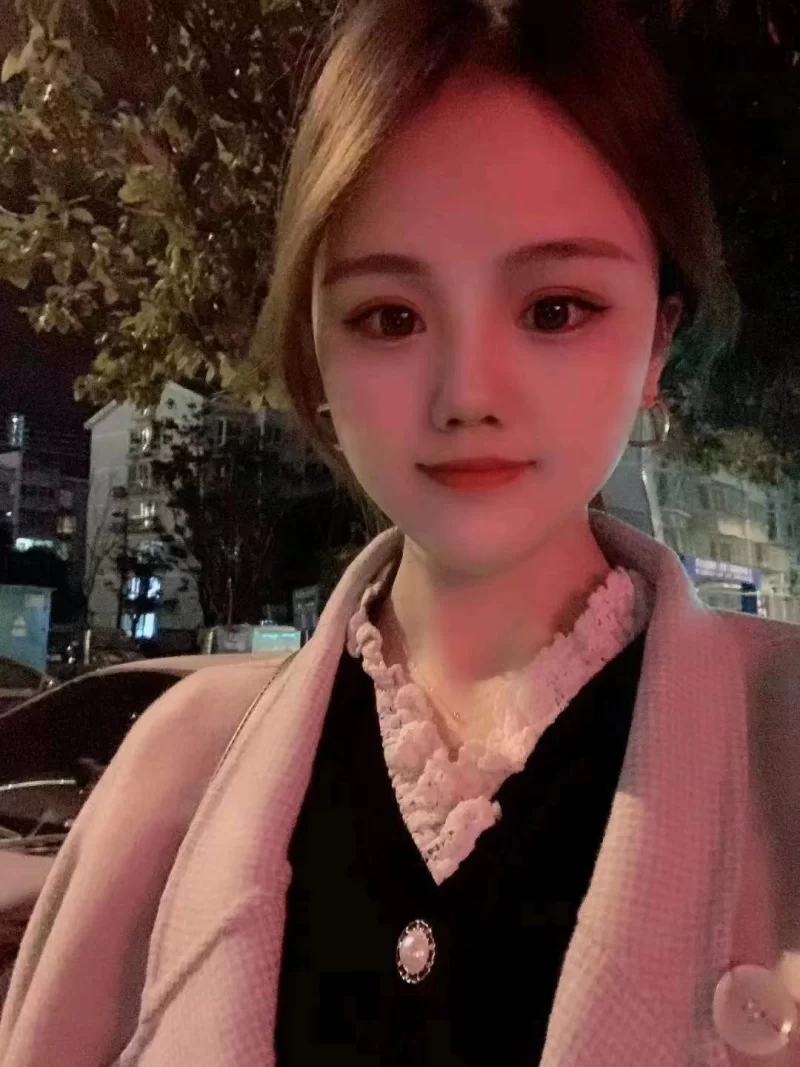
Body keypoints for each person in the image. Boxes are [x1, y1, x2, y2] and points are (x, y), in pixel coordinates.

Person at [2, 0, 800, 1064]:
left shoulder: (783, 740)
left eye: (554, 308)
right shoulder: (173, 774)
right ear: (317, 355)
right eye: (390, 316)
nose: (467, 393)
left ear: (659, 336)